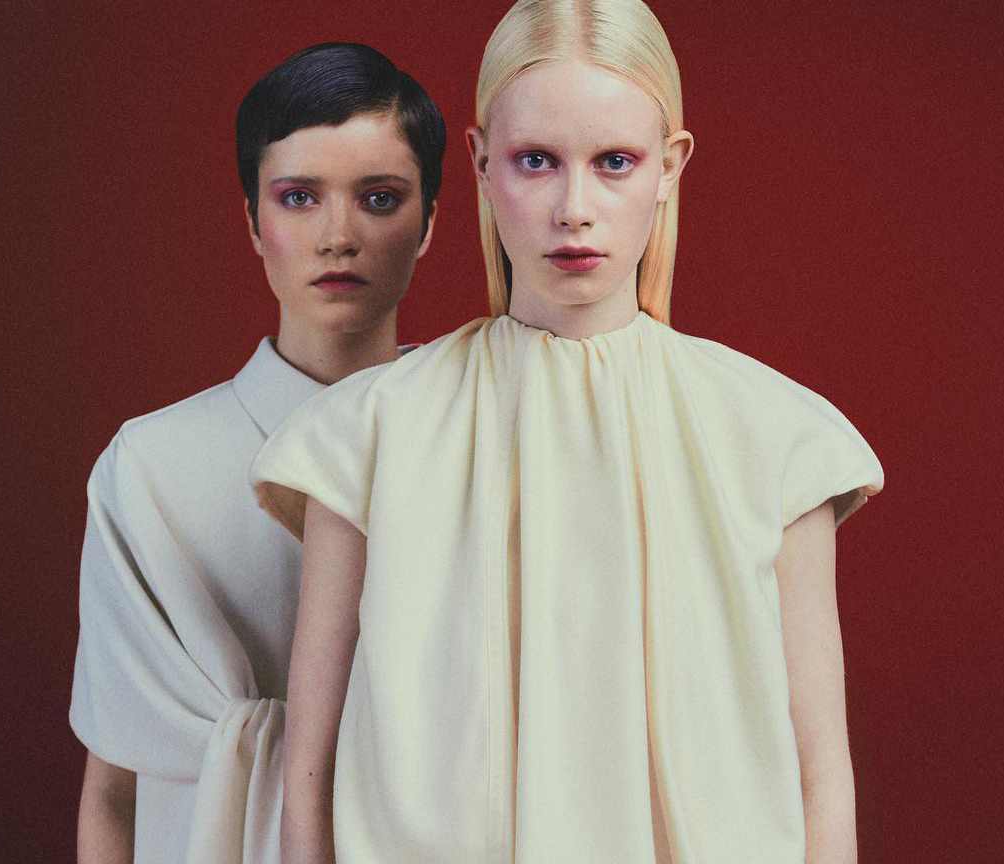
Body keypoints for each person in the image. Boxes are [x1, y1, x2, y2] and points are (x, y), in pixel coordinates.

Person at [252, 2, 885, 862]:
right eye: (537, 161)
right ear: (480, 163)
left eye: (614, 162)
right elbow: (311, 774)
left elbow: (822, 777)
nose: (573, 208)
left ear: (670, 167)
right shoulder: (363, 436)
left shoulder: (775, 436)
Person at [69, 43, 445, 864]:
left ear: (427, 224)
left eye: (380, 198)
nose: (338, 236)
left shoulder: (476, 446)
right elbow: (113, 792)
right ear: (252, 221)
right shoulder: (151, 470)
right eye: (299, 197)